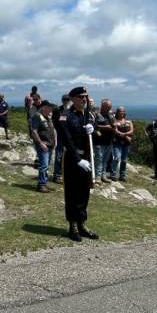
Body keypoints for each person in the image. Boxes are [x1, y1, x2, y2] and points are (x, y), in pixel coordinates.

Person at [54, 86, 98, 242]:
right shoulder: (65, 116)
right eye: (81, 97)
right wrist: (79, 160)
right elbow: (67, 140)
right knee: (72, 193)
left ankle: (82, 223)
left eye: (85, 97)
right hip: (73, 160)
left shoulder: (88, 114)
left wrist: (94, 127)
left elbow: (95, 128)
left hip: (87, 158)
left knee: (84, 193)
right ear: (72, 99)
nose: (84, 99)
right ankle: (72, 225)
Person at [30, 100, 56, 192]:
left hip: (50, 145)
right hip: (43, 145)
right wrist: (40, 143)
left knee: (47, 165)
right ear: (44, 107)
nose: (50, 111)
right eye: (49, 108)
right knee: (43, 165)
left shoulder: (46, 117)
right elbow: (34, 131)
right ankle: (41, 185)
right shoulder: (37, 116)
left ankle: (44, 183)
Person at [92, 99, 115, 184]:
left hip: (108, 141)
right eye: (108, 107)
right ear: (103, 106)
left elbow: (114, 125)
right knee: (99, 159)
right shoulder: (96, 114)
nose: (109, 108)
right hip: (99, 141)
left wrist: (114, 126)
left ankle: (103, 175)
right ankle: (97, 176)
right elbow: (93, 125)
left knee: (105, 160)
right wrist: (105, 127)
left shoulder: (110, 116)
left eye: (110, 107)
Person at [51, 94, 71, 184]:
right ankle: (57, 175)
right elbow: (53, 122)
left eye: (67, 99)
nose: (66, 101)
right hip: (60, 136)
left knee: (68, 157)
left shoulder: (72, 110)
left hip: (70, 137)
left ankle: (65, 174)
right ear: (62, 100)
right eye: (64, 99)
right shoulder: (57, 110)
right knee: (59, 156)